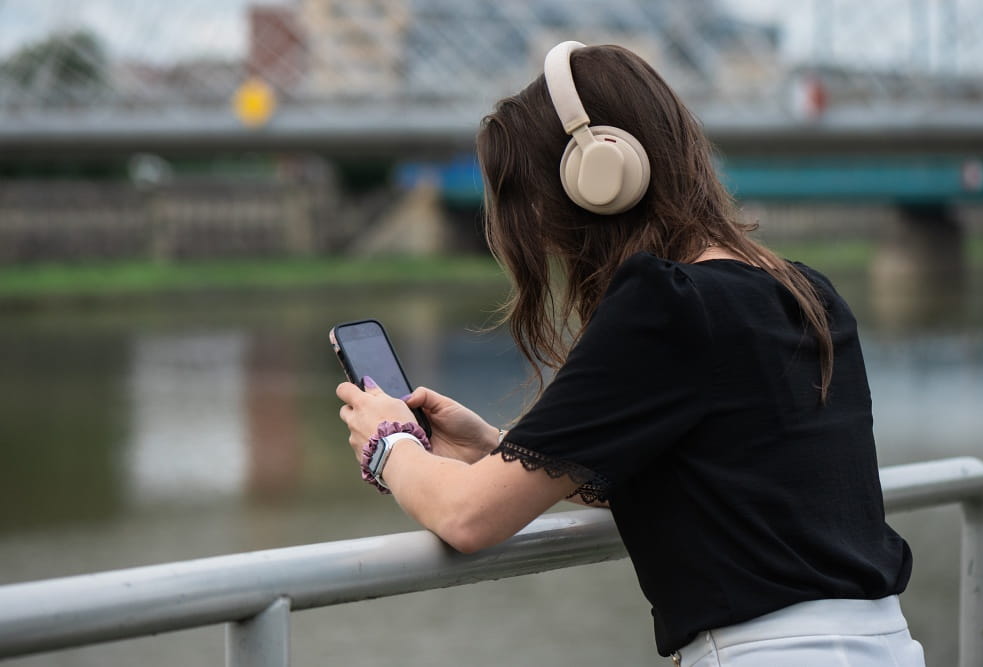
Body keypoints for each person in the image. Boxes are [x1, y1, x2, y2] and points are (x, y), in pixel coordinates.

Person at [335, 42, 924, 666]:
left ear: (595, 179)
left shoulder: (668, 302)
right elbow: (718, 484)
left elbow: (466, 518)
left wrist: (389, 441)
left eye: (529, 200)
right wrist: (493, 448)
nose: (538, 231)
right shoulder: (803, 289)